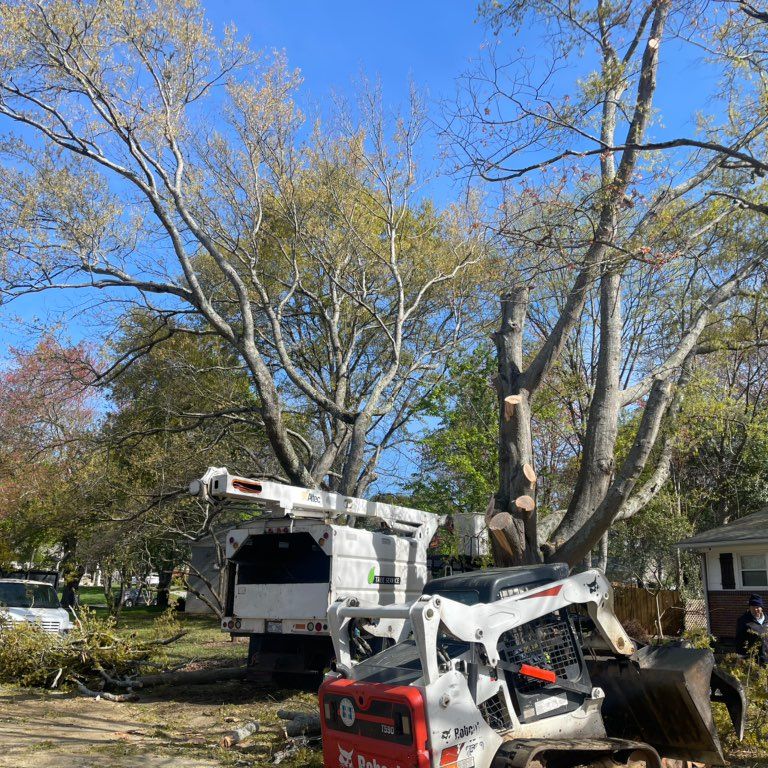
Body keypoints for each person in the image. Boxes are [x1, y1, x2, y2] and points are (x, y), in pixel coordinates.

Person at [736, 593, 767, 666]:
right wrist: (741, 657)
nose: (755, 609)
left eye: (757, 606)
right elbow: (739, 640)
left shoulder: (767, 619)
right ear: (749, 607)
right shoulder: (743, 621)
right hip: (754, 660)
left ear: (761, 607)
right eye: (753, 606)